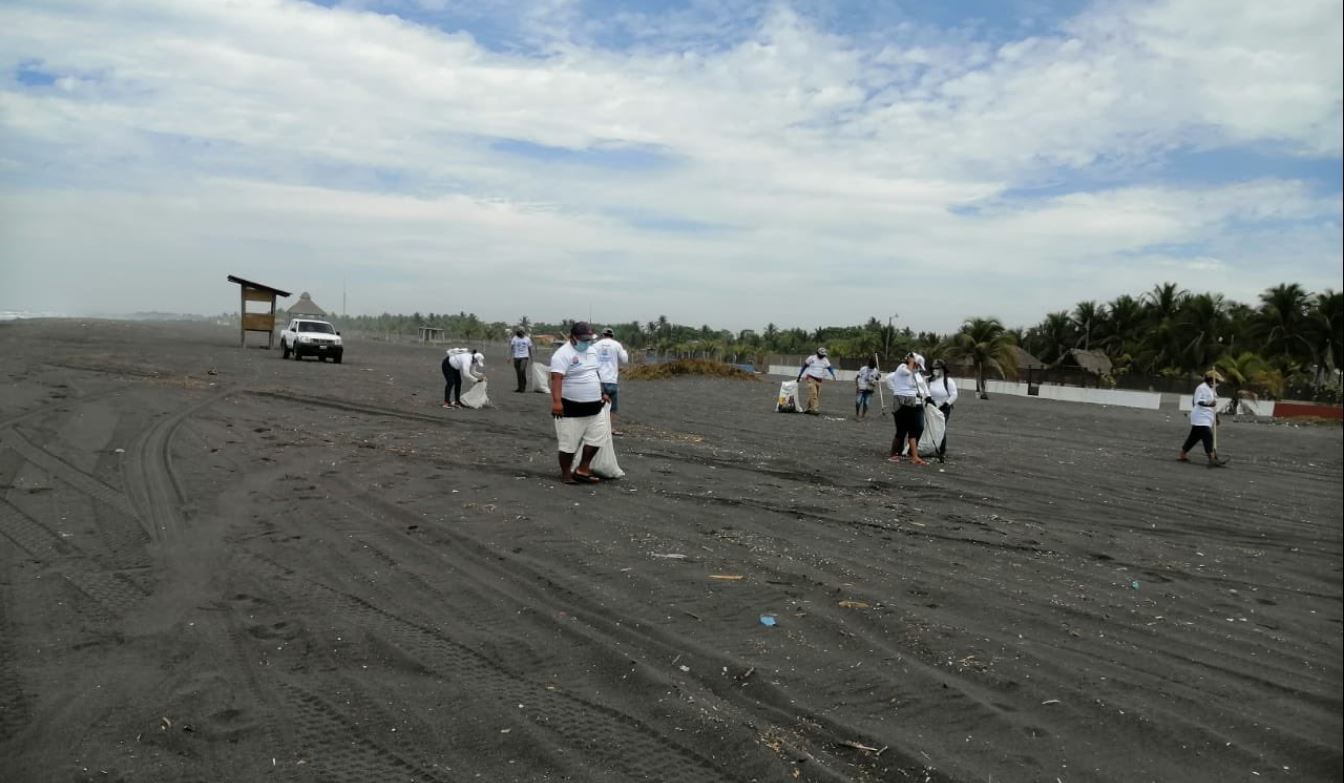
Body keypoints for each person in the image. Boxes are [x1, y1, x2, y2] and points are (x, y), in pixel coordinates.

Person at [550, 321, 610, 484]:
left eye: (588, 339)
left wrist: (603, 392)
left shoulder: (592, 352)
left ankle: (583, 468)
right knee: (569, 443)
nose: (586, 342)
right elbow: (556, 379)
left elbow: (595, 373)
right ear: (572, 337)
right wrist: (556, 402)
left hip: (594, 405)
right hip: (571, 406)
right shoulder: (562, 354)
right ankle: (566, 474)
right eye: (582, 339)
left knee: (598, 437)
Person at [886, 352, 928, 465]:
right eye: (917, 365)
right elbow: (905, 372)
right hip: (901, 400)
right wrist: (911, 361)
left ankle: (914, 456)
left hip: (910, 400)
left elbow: (918, 385)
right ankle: (893, 455)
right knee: (901, 431)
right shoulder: (902, 367)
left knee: (912, 429)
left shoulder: (913, 372)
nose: (917, 368)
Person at [1179, 372, 1226, 467]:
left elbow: (1214, 404)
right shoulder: (1201, 388)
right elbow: (1198, 402)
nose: (1217, 383)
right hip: (1200, 416)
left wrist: (1216, 417)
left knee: (1194, 437)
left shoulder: (1213, 390)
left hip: (1208, 417)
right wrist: (1209, 405)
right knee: (1207, 435)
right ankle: (1212, 458)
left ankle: (1182, 454)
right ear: (1210, 380)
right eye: (1216, 381)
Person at [593, 327, 630, 435]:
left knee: (597, 405)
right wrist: (624, 351)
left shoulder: (596, 345)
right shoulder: (617, 345)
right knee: (612, 407)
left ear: (602, 335)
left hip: (598, 380)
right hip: (612, 380)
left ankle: (596, 428)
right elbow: (625, 360)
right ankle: (609, 428)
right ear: (612, 335)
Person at [927, 359, 958, 462]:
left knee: (941, 427)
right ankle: (929, 447)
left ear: (942, 369)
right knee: (929, 427)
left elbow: (954, 394)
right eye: (933, 368)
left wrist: (946, 404)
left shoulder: (948, 381)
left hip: (944, 409)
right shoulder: (929, 380)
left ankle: (942, 450)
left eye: (937, 368)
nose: (934, 370)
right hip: (931, 408)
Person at [797, 347, 837, 415]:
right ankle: (815, 409)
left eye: (824, 355)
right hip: (811, 378)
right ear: (817, 353)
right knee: (814, 394)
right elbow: (804, 366)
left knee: (815, 395)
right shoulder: (811, 358)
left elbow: (830, 368)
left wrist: (833, 375)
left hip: (819, 380)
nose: (822, 356)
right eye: (821, 355)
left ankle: (807, 409)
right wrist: (799, 375)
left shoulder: (825, 360)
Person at [509, 328, 533, 392]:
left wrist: (531, 358)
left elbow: (530, 349)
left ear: (523, 332)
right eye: (518, 332)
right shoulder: (514, 338)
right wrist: (509, 357)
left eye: (520, 332)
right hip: (516, 357)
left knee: (522, 370)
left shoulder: (527, 339)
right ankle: (519, 387)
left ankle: (523, 386)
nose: (518, 333)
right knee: (518, 373)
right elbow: (511, 348)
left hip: (524, 357)